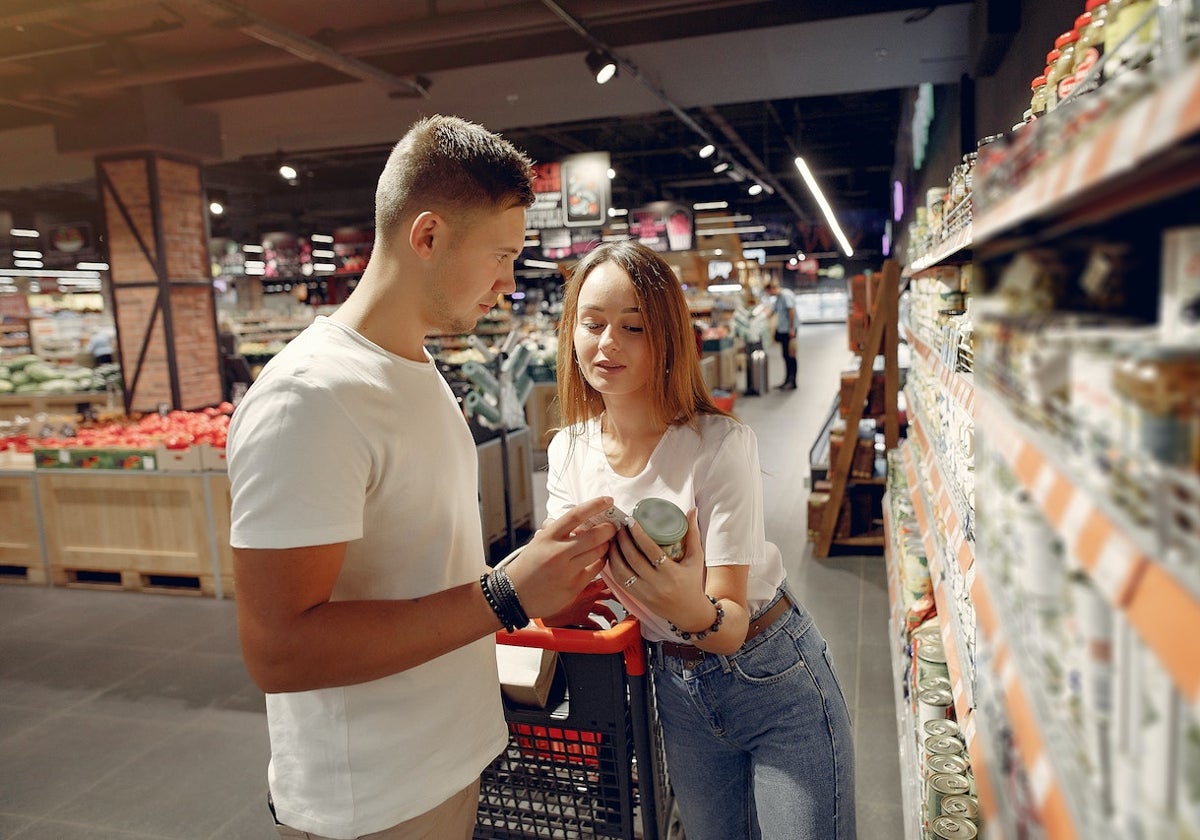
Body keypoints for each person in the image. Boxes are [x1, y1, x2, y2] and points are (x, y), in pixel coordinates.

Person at [225, 115, 618, 840]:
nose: (509, 282)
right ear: (428, 236)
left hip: (446, 765)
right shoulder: (308, 399)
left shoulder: (418, 370)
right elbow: (278, 649)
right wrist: (505, 594)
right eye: (501, 256)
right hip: (368, 803)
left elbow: (421, 576)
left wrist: (531, 592)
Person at [545, 241, 856, 840]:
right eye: (593, 324)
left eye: (632, 327)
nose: (607, 344)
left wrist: (682, 603)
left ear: (665, 337)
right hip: (674, 688)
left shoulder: (718, 444)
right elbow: (567, 594)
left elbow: (730, 621)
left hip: (771, 673)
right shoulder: (569, 452)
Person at [766, 277, 798, 389]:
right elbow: (771, 312)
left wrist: (791, 329)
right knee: (785, 355)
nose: (769, 295)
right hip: (783, 330)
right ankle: (787, 380)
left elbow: (791, 312)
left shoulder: (786, 295)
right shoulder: (778, 298)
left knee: (790, 355)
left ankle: (792, 381)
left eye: (768, 292)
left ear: (772, 289)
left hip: (789, 331)